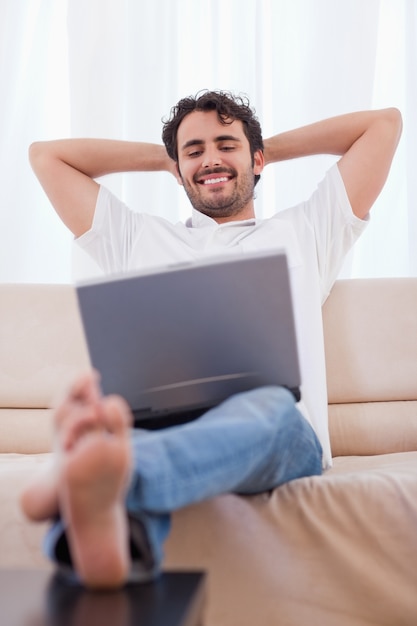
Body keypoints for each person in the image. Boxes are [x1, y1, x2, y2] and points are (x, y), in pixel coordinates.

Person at [21, 91, 402, 589]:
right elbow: (46, 157)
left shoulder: (308, 229)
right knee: (132, 433)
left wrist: (258, 148)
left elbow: (384, 124)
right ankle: (112, 540)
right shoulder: (135, 237)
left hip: (276, 427)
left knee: (268, 407)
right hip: (164, 425)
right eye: (195, 150)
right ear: (178, 169)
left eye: (227, 145)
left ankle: (105, 478)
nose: (212, 159)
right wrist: (171, 160)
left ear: (256, 158)